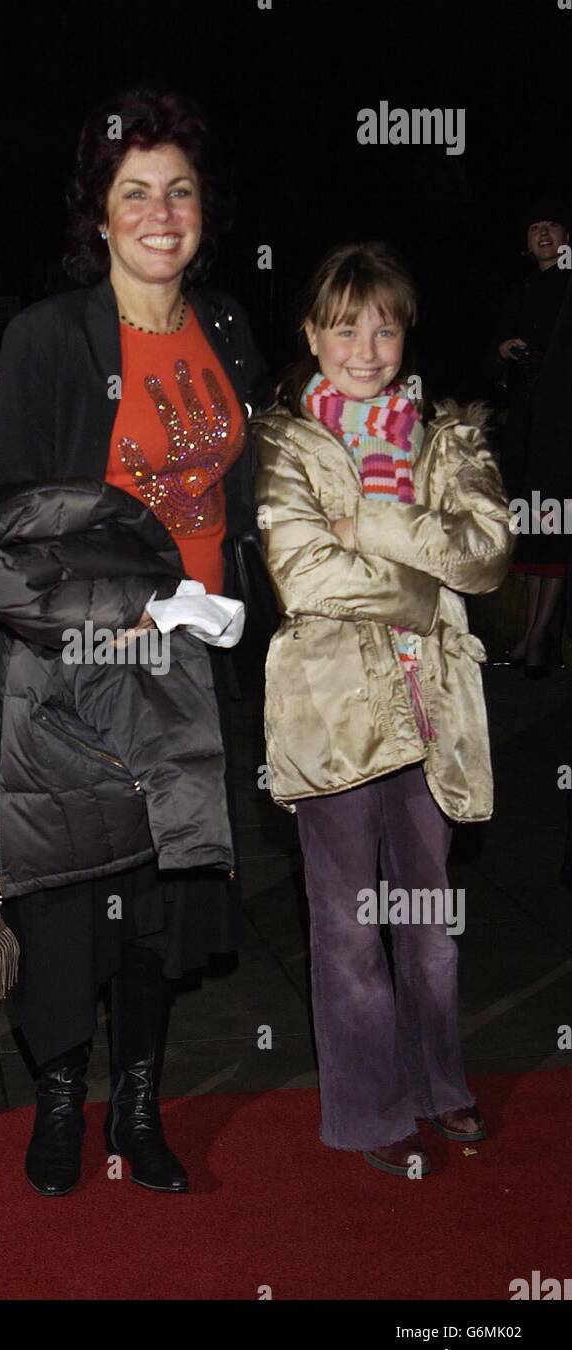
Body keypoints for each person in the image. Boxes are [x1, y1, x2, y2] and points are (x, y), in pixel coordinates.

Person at [0, 87, 270, 1196]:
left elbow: (247, 494)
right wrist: (117, 618)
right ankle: (58, 1103)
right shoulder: (52, 336)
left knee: (160, 900)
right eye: (133, 191)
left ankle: (137, 1109)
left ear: (204, 209)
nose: (159, 211)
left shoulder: (228, 323)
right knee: (63, 900)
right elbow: (7, 526)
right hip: (81, 669)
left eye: (179, 190)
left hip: (193, 668)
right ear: (97, 213)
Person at [255, 242, 513, 1177]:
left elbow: (485, 558)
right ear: (311, 334)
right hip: (331, 717)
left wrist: (365, 521)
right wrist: (421, 582)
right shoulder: (283, 439)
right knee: (350, 932)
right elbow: (300, 574)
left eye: (384, 325)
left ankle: (439, 1083)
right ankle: (368, 1111)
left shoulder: (450, 432)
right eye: (344, 326)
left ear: (404, 332)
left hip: (434, 710)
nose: (365, 347)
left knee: (430, 926)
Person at [491, 201, 571, 675]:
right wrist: (502, 351)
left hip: (562, 426)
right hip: (526, 423)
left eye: (552, 225)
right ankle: (528, 633)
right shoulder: (521, 290)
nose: (542, 233)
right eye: (534, 225)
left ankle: (541, 636)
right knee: (530, 527)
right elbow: (488, 360)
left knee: (556, 523)